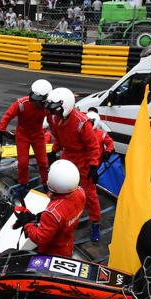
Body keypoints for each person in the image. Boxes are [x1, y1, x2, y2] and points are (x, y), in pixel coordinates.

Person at [13, 160, 85, 299]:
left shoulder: (52, 213)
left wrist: (27, 224)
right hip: (67, 242)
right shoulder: (80, 192)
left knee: (49, 286)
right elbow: (63, 215)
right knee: (63, 274)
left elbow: (40, 238)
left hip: (52, 251)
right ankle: (65, 292)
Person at [45, 88, 101, 243]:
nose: (54, 113)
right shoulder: (56, 119)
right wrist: (53, 151)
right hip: (68, 156)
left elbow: (93, 147)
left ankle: (95, 223)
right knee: (60, 189)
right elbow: (59, 138)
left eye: (56, 109)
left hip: (83, 160)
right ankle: (59, 218)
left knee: (90, 194)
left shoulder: (82, 123)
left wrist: (93, 166)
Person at [0, 79, 52, 196]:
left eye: (38, 101)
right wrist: (0, 131)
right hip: (23, 135)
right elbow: (7, 116)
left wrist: (59, 140)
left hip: (38, 135)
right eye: (33, 98)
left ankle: (46, 184)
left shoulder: (47, 108)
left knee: (43, 162)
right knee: (23, 162)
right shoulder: (21, 104)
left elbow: (53, 122)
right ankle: (23, 184)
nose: (34, 102)